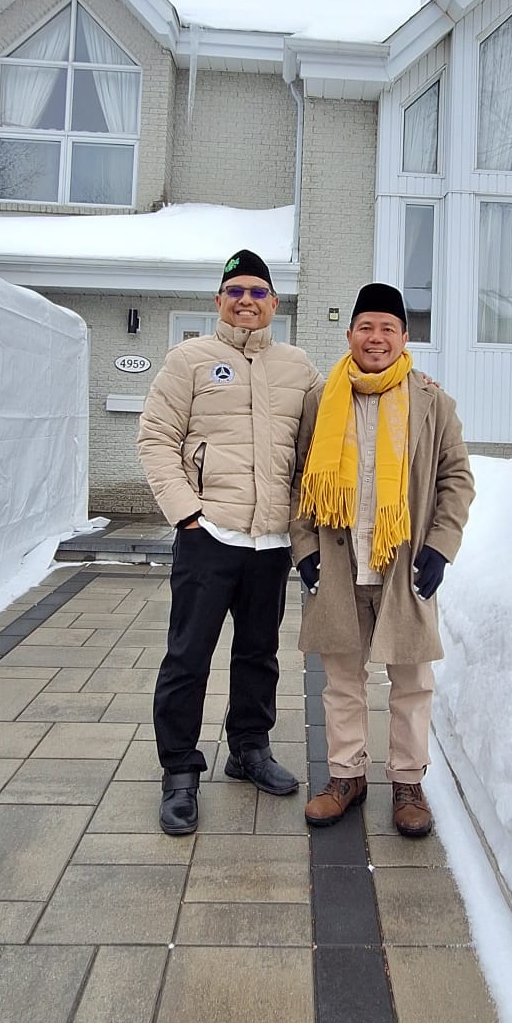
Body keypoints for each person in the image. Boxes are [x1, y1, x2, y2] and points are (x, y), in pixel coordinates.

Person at [137, 250, 322, 835]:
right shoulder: (189, 360)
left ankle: (248, 748)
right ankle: (180, 771)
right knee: (189, 655)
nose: (247, 300)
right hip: (209, 534)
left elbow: (335, 425)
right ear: (219, 300)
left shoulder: (299, 369)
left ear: (273, 303)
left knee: (258, 652)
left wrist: (413, 386)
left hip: (269, 540)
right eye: (235, 290)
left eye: (258, 292)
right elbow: (156, 439)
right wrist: (186, 514)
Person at [291, 282, 474, 838]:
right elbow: (300, 479)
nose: (376, 338)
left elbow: (456, 479)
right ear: (349, 334)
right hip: (340, 565)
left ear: (404, 336)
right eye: (366, 327)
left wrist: (441, 546)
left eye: (387, 328)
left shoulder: (431, 401)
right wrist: (304, 549)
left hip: (403, 568)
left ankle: (407, 783)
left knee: (412, 683)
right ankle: (346, 776)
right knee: (341, 681)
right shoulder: (322, 399)